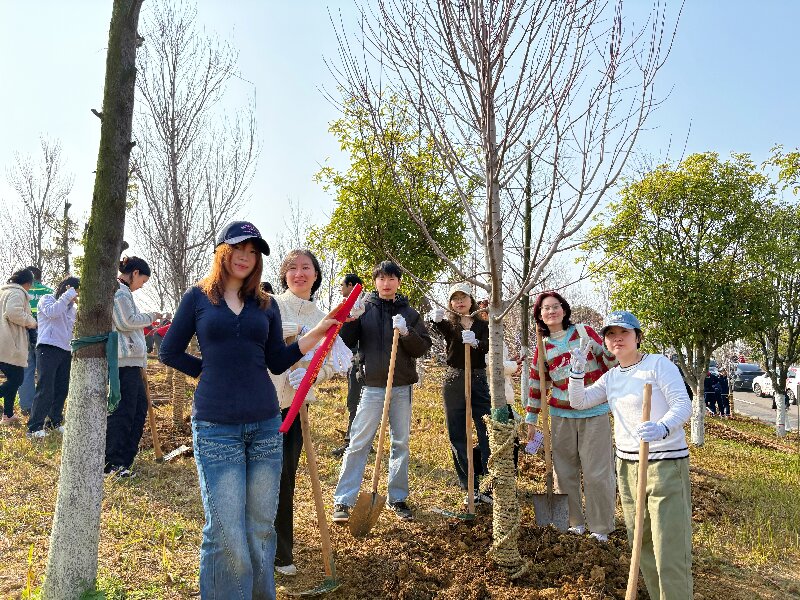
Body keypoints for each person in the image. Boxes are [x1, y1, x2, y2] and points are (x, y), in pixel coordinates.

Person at [159, 221, 337, 600]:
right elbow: (169, 351)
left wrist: (319, 331)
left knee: (260, 529)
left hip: (266, 425)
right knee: (226, 531)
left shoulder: (265, 305)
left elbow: (277, 360)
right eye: (239, 248)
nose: (246, 257)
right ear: (222, 251)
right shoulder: (198, 298)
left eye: (253, 252)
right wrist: (207, 371)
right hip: (216, 427)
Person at [569, 310, 693, 599]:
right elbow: (579, 401)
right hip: (627, 465)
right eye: (611, 334)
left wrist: (662, 427)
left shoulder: (658, 365)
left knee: (668, 545)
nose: (617, 338)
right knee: (642, 542)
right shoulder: (612, 377)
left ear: (638, 337)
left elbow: (683, 405)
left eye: (624, 332)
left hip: (664, 462)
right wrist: (576, 372)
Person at [332, 261, 432, 523]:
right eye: (381, 279)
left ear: (399, 282)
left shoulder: (409, 313)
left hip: (401, 386)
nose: (386, 284)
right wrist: (351, 318)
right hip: (372, 386)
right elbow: (346, 341)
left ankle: (397, 497)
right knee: (358, 441)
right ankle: (344, 500)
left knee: (400, 443)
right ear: (375, 281)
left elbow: (422, 348)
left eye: (391, 279)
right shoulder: (364, 308)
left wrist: (407, 333)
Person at [270, 249, 349, 576]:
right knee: (256, 478)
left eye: (306, 268)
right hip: (261, 405)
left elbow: (331, 362)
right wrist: (291, 333)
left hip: (295, 407)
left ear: (316, 275)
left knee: (284, 478)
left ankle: (280, 552)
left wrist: (312, 375)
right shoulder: (270, 305)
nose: (299, 273)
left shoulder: (324, 316)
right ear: (284, 274)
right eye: (292, 268)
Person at [525, 291, 617, 542]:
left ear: (564, 310)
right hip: (561, 416)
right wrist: (531, 419)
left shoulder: (584, 333)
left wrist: (612, 349)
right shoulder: (543, 346)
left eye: (555, 306)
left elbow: (610, 363)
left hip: (594, 412)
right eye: (545, 308)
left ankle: (600, 527)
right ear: (540, 316)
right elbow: (537, 383)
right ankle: (574, 522)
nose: (551, 311)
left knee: (597, 472)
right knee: (564, 472)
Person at [428, 282, 492, 505]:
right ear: (450, 303)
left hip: (478, 378)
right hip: (454, 379)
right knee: (457, 432)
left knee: (486, 429)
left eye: (463, 297)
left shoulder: (483, 325)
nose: (459, 302)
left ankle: (488, 483)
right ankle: (469, 485)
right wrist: (435, 320)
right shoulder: (450, 325)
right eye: (455, 299)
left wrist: (476, 343)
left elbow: (488, 345)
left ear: (471, 299)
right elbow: (439, 328)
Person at [104, 257, 162, 478]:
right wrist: (151, 316)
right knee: (124, 413)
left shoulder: (124, 293)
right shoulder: (119, 291)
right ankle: (112, 463)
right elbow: (126, 321)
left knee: (137, 411)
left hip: (132, 362)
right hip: (123, 362)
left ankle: (125, 461)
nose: (142, 286)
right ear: (135, 272)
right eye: (143, 281)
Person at [26, 276, 80, 439]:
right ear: (68, 288)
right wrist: (67, 295)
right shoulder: (47, 299)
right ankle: (34, 427)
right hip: (47, 347)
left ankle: (54, 422)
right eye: (76, 291)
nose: (77, 296)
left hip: (65, 350)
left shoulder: (72, 308)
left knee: (62, 388)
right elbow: (53, 313)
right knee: (45, 388)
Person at [332, 273, 364, 458]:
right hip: (353, 359)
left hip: (360, 361)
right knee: (355, 400)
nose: (340, 288)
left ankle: (352, 442)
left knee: (356, 400)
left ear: (351, 286)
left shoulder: (363, 306)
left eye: (342, 285)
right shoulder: (348, 306)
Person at [0, 269, 38, 425]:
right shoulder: (18, 292)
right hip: (10, 343)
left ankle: (7, 415)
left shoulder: (3, 292)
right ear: (27, 283)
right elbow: (13, 312)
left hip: (4, 342)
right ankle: (7, 415)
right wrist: (31, 321)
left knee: (13, 380)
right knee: (17, 379)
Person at [18, 266, 53, 416]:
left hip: (23, 334)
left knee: (26, 370)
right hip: (45, 336)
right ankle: (45, 406)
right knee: (46, 372)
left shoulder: (20, 293)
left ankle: (27, 406)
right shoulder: (49, 292)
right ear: (39, 277)